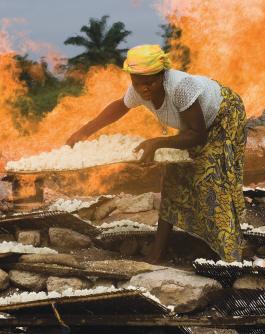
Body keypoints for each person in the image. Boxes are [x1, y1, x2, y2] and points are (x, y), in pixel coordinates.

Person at [66, 44, 246, 263]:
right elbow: (119, 107)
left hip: (223, 117)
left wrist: (159, 143)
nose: (144, 89)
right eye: (137, 82)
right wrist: (83, 132)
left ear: (163, 75)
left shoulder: (181, 87)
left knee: (211, 182)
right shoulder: (138, 89)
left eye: (150, 81)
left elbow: (198, 135)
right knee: (173, 181)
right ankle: (158, 253)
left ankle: (231, 257)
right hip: (194, 127)